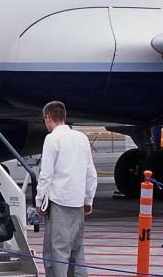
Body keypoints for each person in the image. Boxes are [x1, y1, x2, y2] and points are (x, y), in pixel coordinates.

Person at [36, 101, 97, 277]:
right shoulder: (82, 137)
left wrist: (40, 202)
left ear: (48, 117)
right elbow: (91, 173)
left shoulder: (52, 138)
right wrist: (88, 200)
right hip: (77, 202)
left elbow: (45, 175)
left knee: (56, 253)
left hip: (58, 203)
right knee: (77, 251)